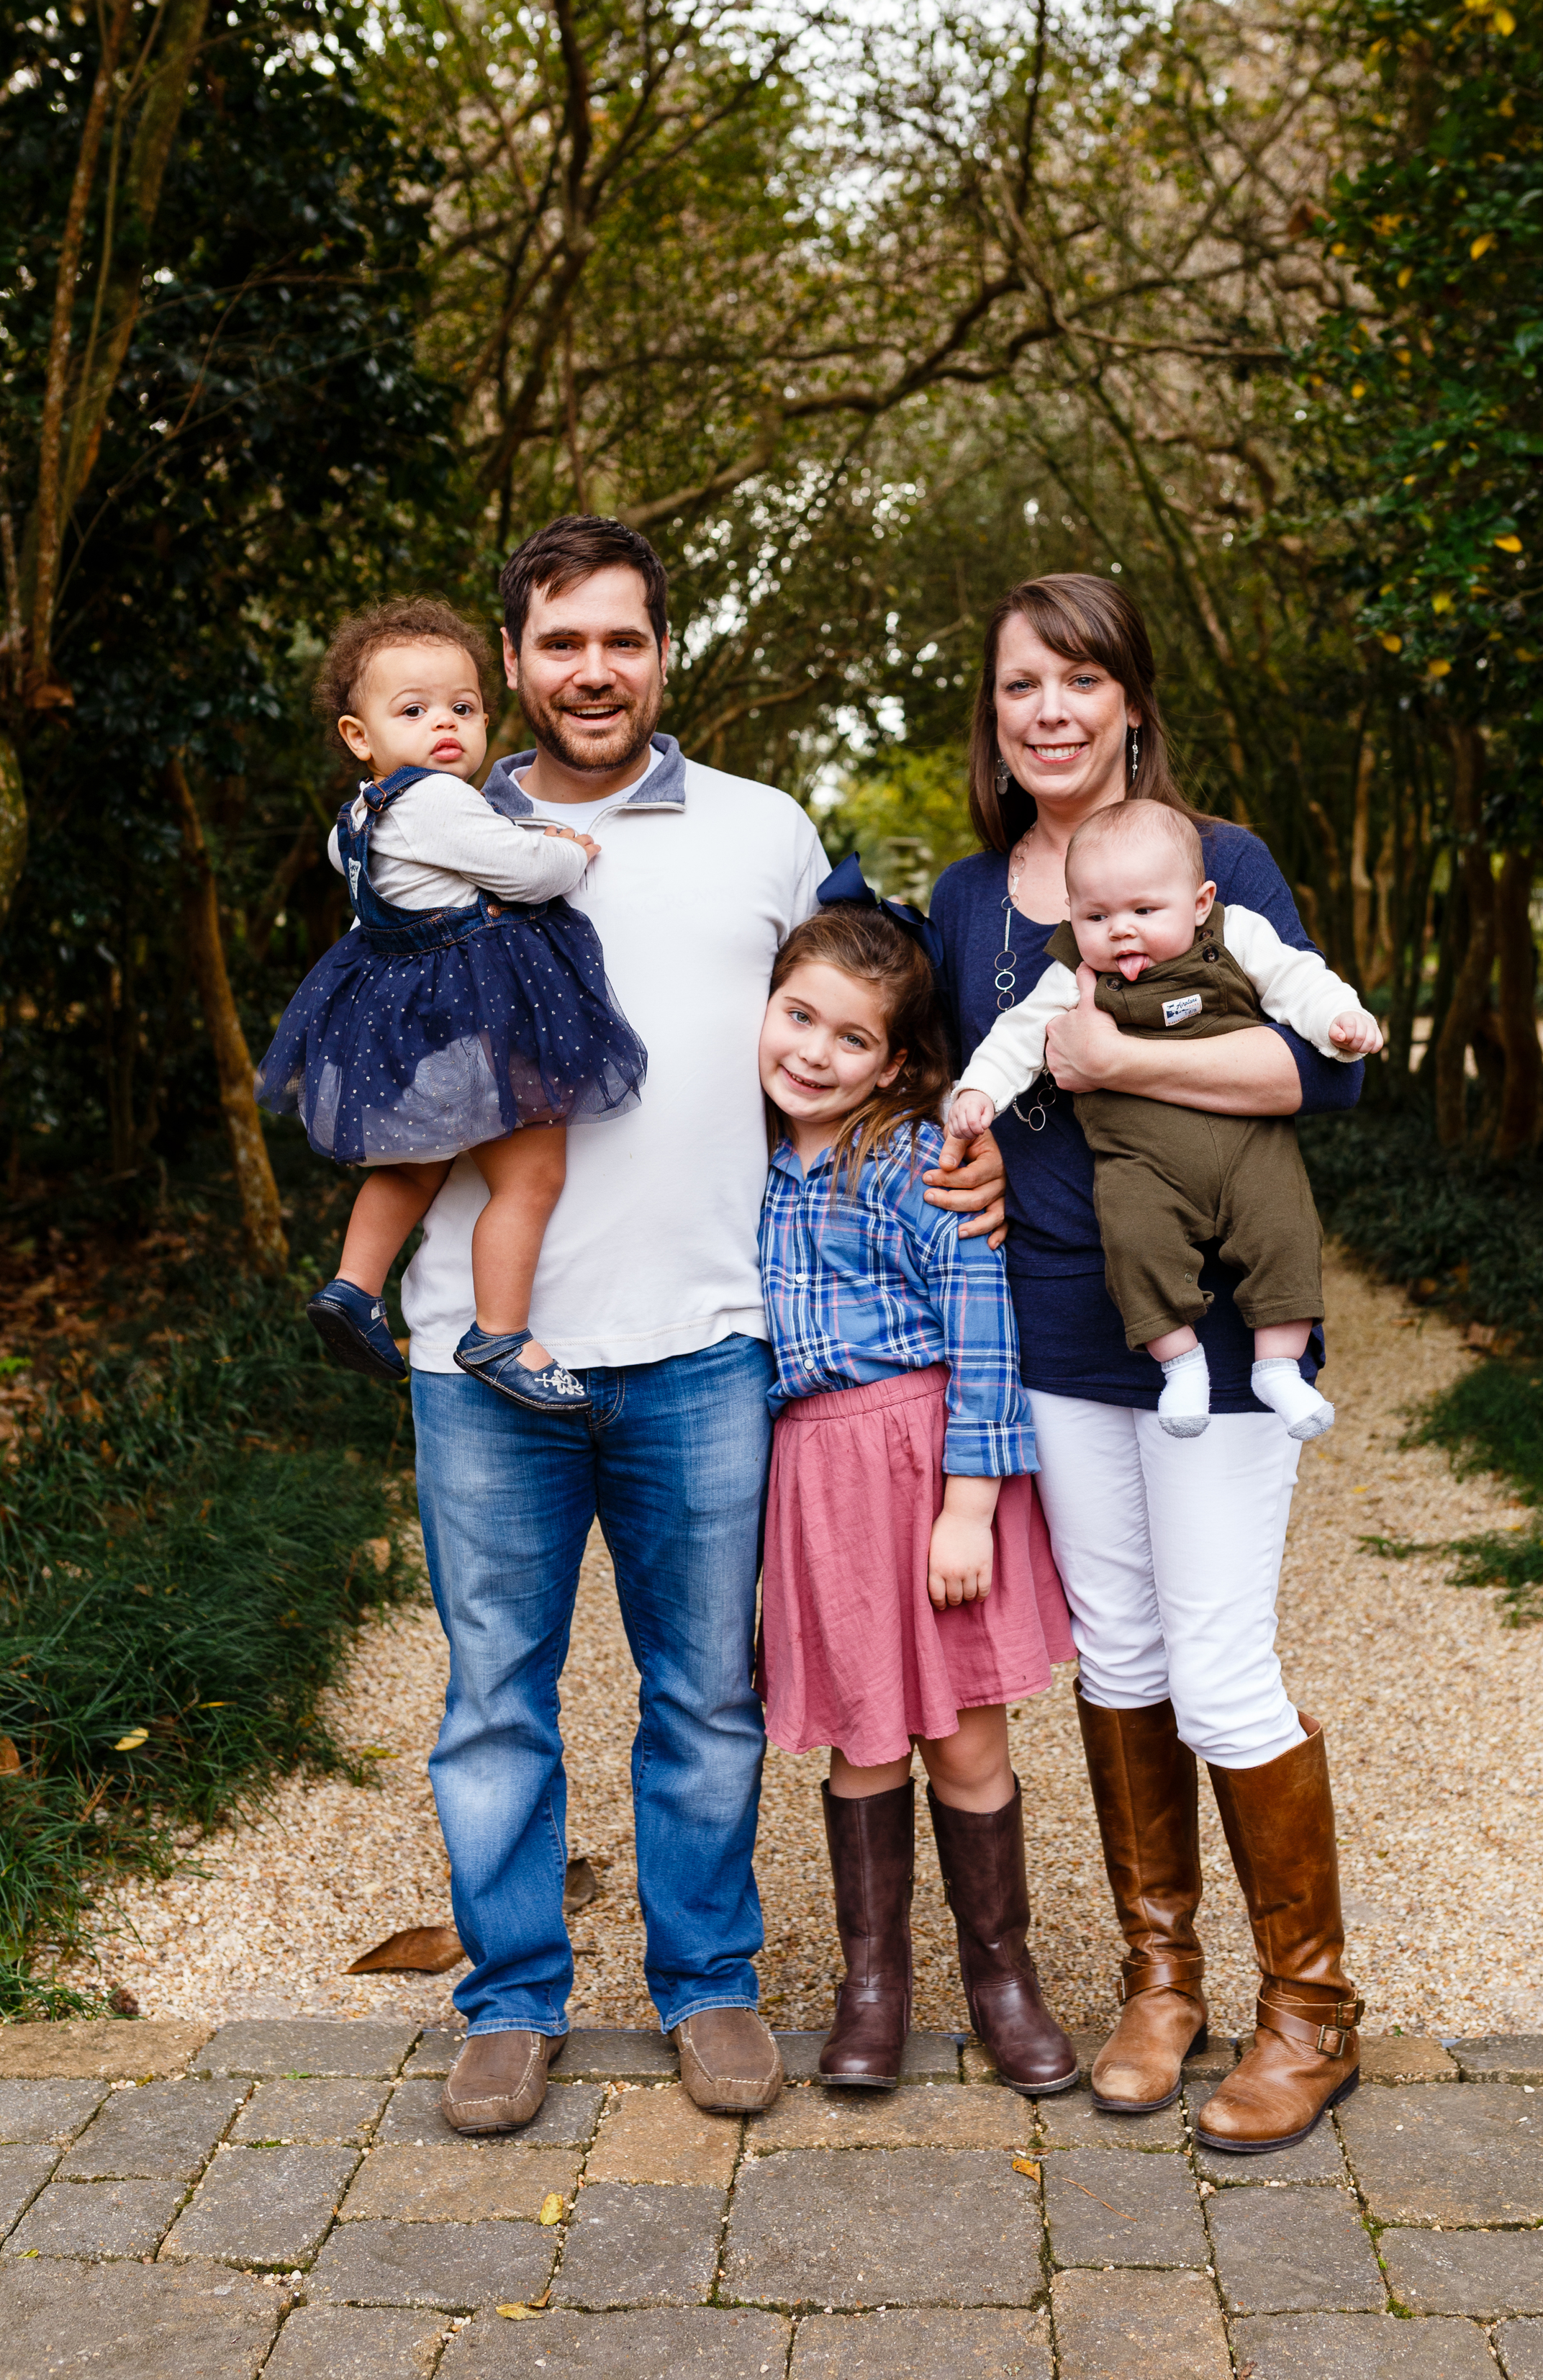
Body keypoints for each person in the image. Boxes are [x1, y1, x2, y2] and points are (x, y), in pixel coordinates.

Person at [391, 516, 1006, 2137]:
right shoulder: (432, 827)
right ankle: (511, 2000)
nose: (591, 670)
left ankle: (708, 1984)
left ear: (666, 653)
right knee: (494, 1700)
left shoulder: (765, 832)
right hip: (481, 1348)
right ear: (513, 660)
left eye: (622, 639)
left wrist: (963, 1136)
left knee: (706, 1695)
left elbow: (875, 1007)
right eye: (558, 642)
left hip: (708, 1348)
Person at [927, 571, 1367, 2155]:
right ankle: (1159, 1982)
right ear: (991, 716)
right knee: (1115, 1651)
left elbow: (1315, 1071)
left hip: (1221, 1321)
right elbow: (952, 1095)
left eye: (1074, 679)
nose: (1044, 710)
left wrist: (1121, 1056)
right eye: (1015, 686)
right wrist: (959, 1162)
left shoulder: (1214, 862)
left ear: (1126, 700)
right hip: (1054, 1324)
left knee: (1219, 1656)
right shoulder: (973, 897)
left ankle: (1307, 2011)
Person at [755, 905, 1077, 2095]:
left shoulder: (908, 1160)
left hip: (927, 1464)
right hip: (819, 1483)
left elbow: (983, 1323)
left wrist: (969, 1506)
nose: (816, 1053)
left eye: (852, 1039)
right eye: (799, 1017)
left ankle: (1003, 1980)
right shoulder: (740, 1160)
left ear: (893, 1063)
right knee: (860, 1735)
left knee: (965, 1737)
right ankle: (873, 1986)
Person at [257, 600, 646, 1416]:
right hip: (476, 1019)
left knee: (415, 1164)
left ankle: (354, 1287)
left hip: (408, 1028)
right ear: (359, 737)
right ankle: (499, 1332)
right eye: (414, 710)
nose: (445, 726)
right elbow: (523, 872)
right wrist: (563, 850)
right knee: (534, 1175)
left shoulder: (357, 821)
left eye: (462, 709)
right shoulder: (438, 802)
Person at [947, 796, 1383, 1443]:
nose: (1121, 931)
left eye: (1145, 912)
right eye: (1097, 917)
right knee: (1134, 1240)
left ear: (1201, 903)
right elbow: (1017, 1036)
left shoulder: (1238, 935)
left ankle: (1278, 1367)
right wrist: (980, 1089)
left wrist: (1339, 1022)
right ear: (1073, 916)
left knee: (1285, 1231)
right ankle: (1181, 1363)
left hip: (1250, 1150)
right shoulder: (1074, 972)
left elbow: (1301, 982)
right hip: (1138, 1161)